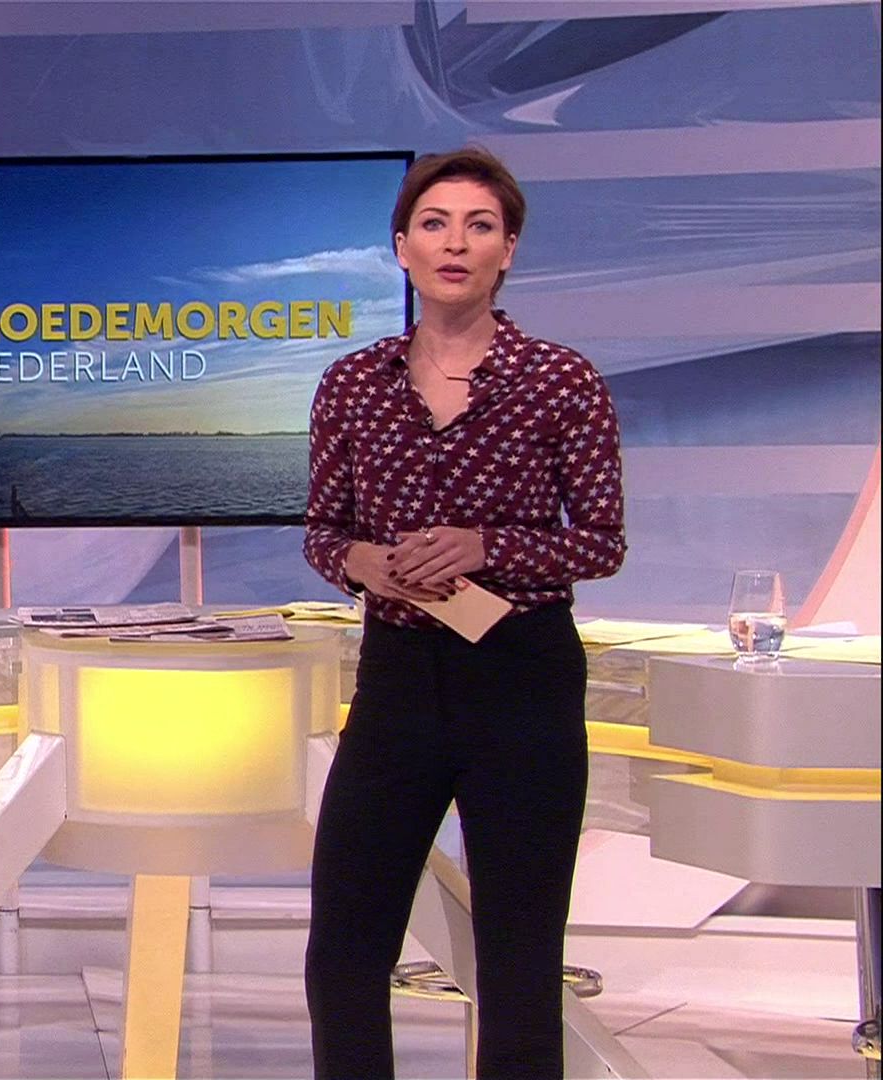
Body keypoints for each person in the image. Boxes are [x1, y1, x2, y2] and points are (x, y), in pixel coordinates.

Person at [301, 148, 626, 1078]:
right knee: (344, 950)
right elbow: (323, 530)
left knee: (520, 962)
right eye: (435, 224)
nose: (455, 243)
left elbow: (601, 541)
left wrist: (488, 547)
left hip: (523, 682)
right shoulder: (352, 383)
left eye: (479, 226)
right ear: (401, 247)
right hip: (398, 681)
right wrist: (361, 561)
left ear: (507, 250)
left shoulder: (560, 380)